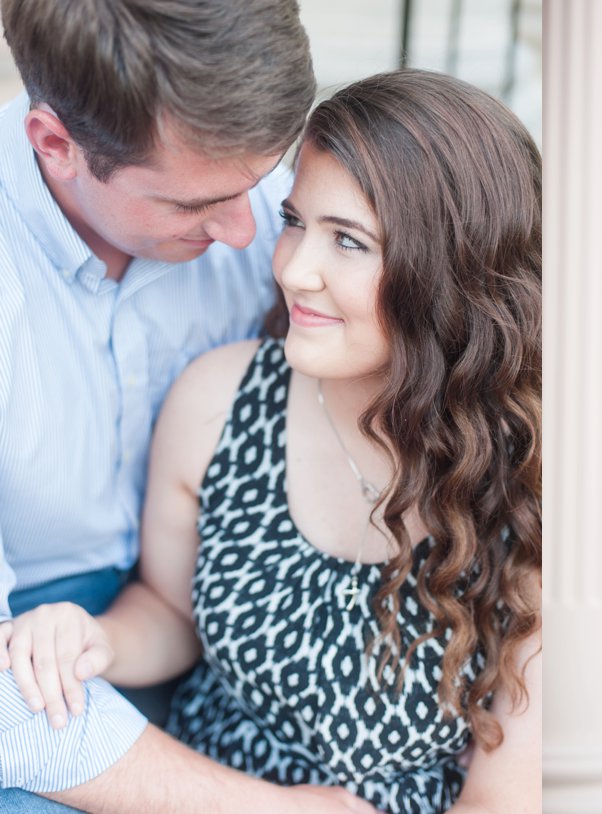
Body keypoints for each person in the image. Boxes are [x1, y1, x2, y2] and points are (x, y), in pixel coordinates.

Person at [2, 69, 542, 813]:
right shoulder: (217, 399)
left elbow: (502, 801)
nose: (291, 267)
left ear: (452, 272)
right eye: (294, 221)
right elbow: (170, 611)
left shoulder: (534, 486)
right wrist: (94, 638)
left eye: (348, 241)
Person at [0, 0, 370, 811]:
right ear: (55, 145)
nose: (247, 237)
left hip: (212, 623)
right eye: (193, 205)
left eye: (261, 188)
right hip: (24, 661)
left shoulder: (266, 224)